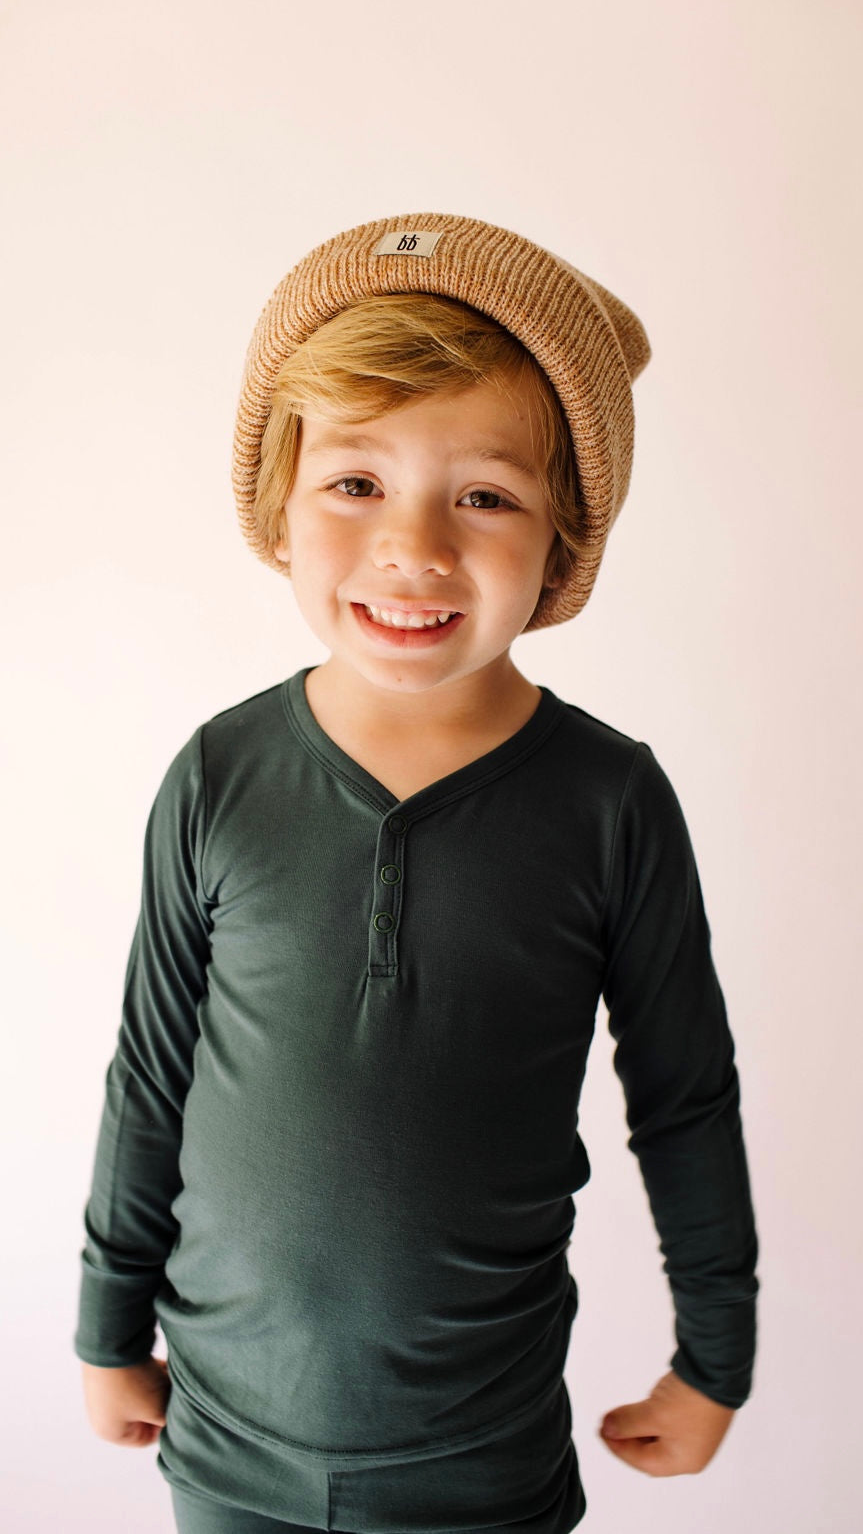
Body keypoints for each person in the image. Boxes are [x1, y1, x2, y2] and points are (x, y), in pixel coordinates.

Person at [75, 211, 759, 1534]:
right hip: (223, 1453)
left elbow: (686, 1095)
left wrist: (712, 1357)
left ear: (564, 539)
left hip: (485, 1464)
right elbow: (151, 1069)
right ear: (279, 499)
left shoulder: (609, 801)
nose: (416, 548)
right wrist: (110, 1325)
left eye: (486, 496)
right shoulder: (220, 777)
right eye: (357, 483)